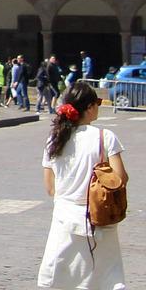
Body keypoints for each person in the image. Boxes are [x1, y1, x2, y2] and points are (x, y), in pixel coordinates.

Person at [37, 80, 127, 289]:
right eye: (97, 102)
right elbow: (120, 178)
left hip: (64, 218)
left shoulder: (55, 139)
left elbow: (50, 188)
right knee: (104, 277)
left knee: (63, 278)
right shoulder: (105, 137)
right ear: (89, 108)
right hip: (99, 217)